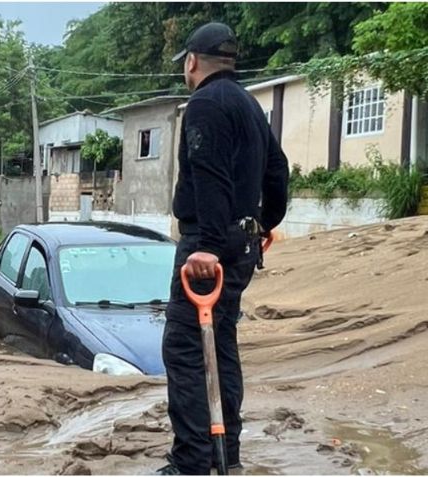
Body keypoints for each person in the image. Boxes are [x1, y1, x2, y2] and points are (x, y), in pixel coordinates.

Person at [156, 22, 289, 475]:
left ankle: (191, 462)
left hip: (207, 244)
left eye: (185, 65)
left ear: (192, 62)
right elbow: (278, 169)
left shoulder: (206, 104)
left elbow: (210, 173)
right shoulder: (249, 104)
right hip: (241, 241)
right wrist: (265, 223)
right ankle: (225, 454)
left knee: (185, 349)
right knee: (222, 345)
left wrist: (209, 246)